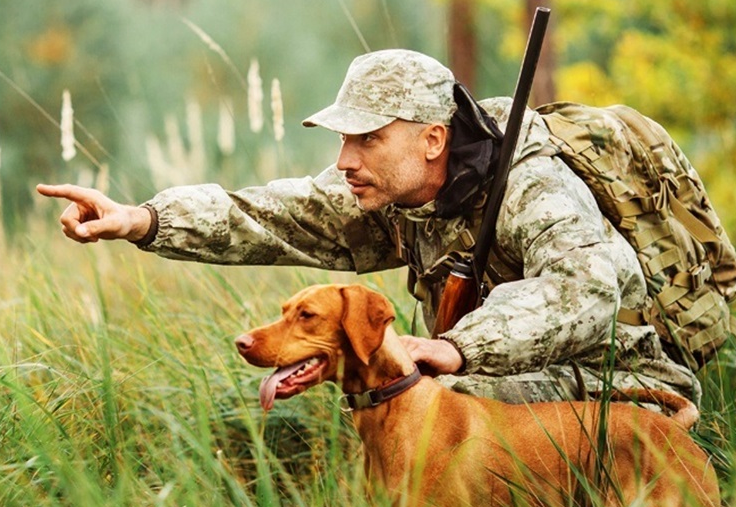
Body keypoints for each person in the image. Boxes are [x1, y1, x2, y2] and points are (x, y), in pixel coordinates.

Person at [37, 50, 700, 406]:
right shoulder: (388, 190)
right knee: (415, 396)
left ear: (433, 138)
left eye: (368, 139)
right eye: (344, 138)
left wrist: (456, 348)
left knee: (440, 394)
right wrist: (141, 218)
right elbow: (266, 215)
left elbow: (585, 290)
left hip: (623, 379)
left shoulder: (532, 183)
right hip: (493, 379)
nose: (345, 160)